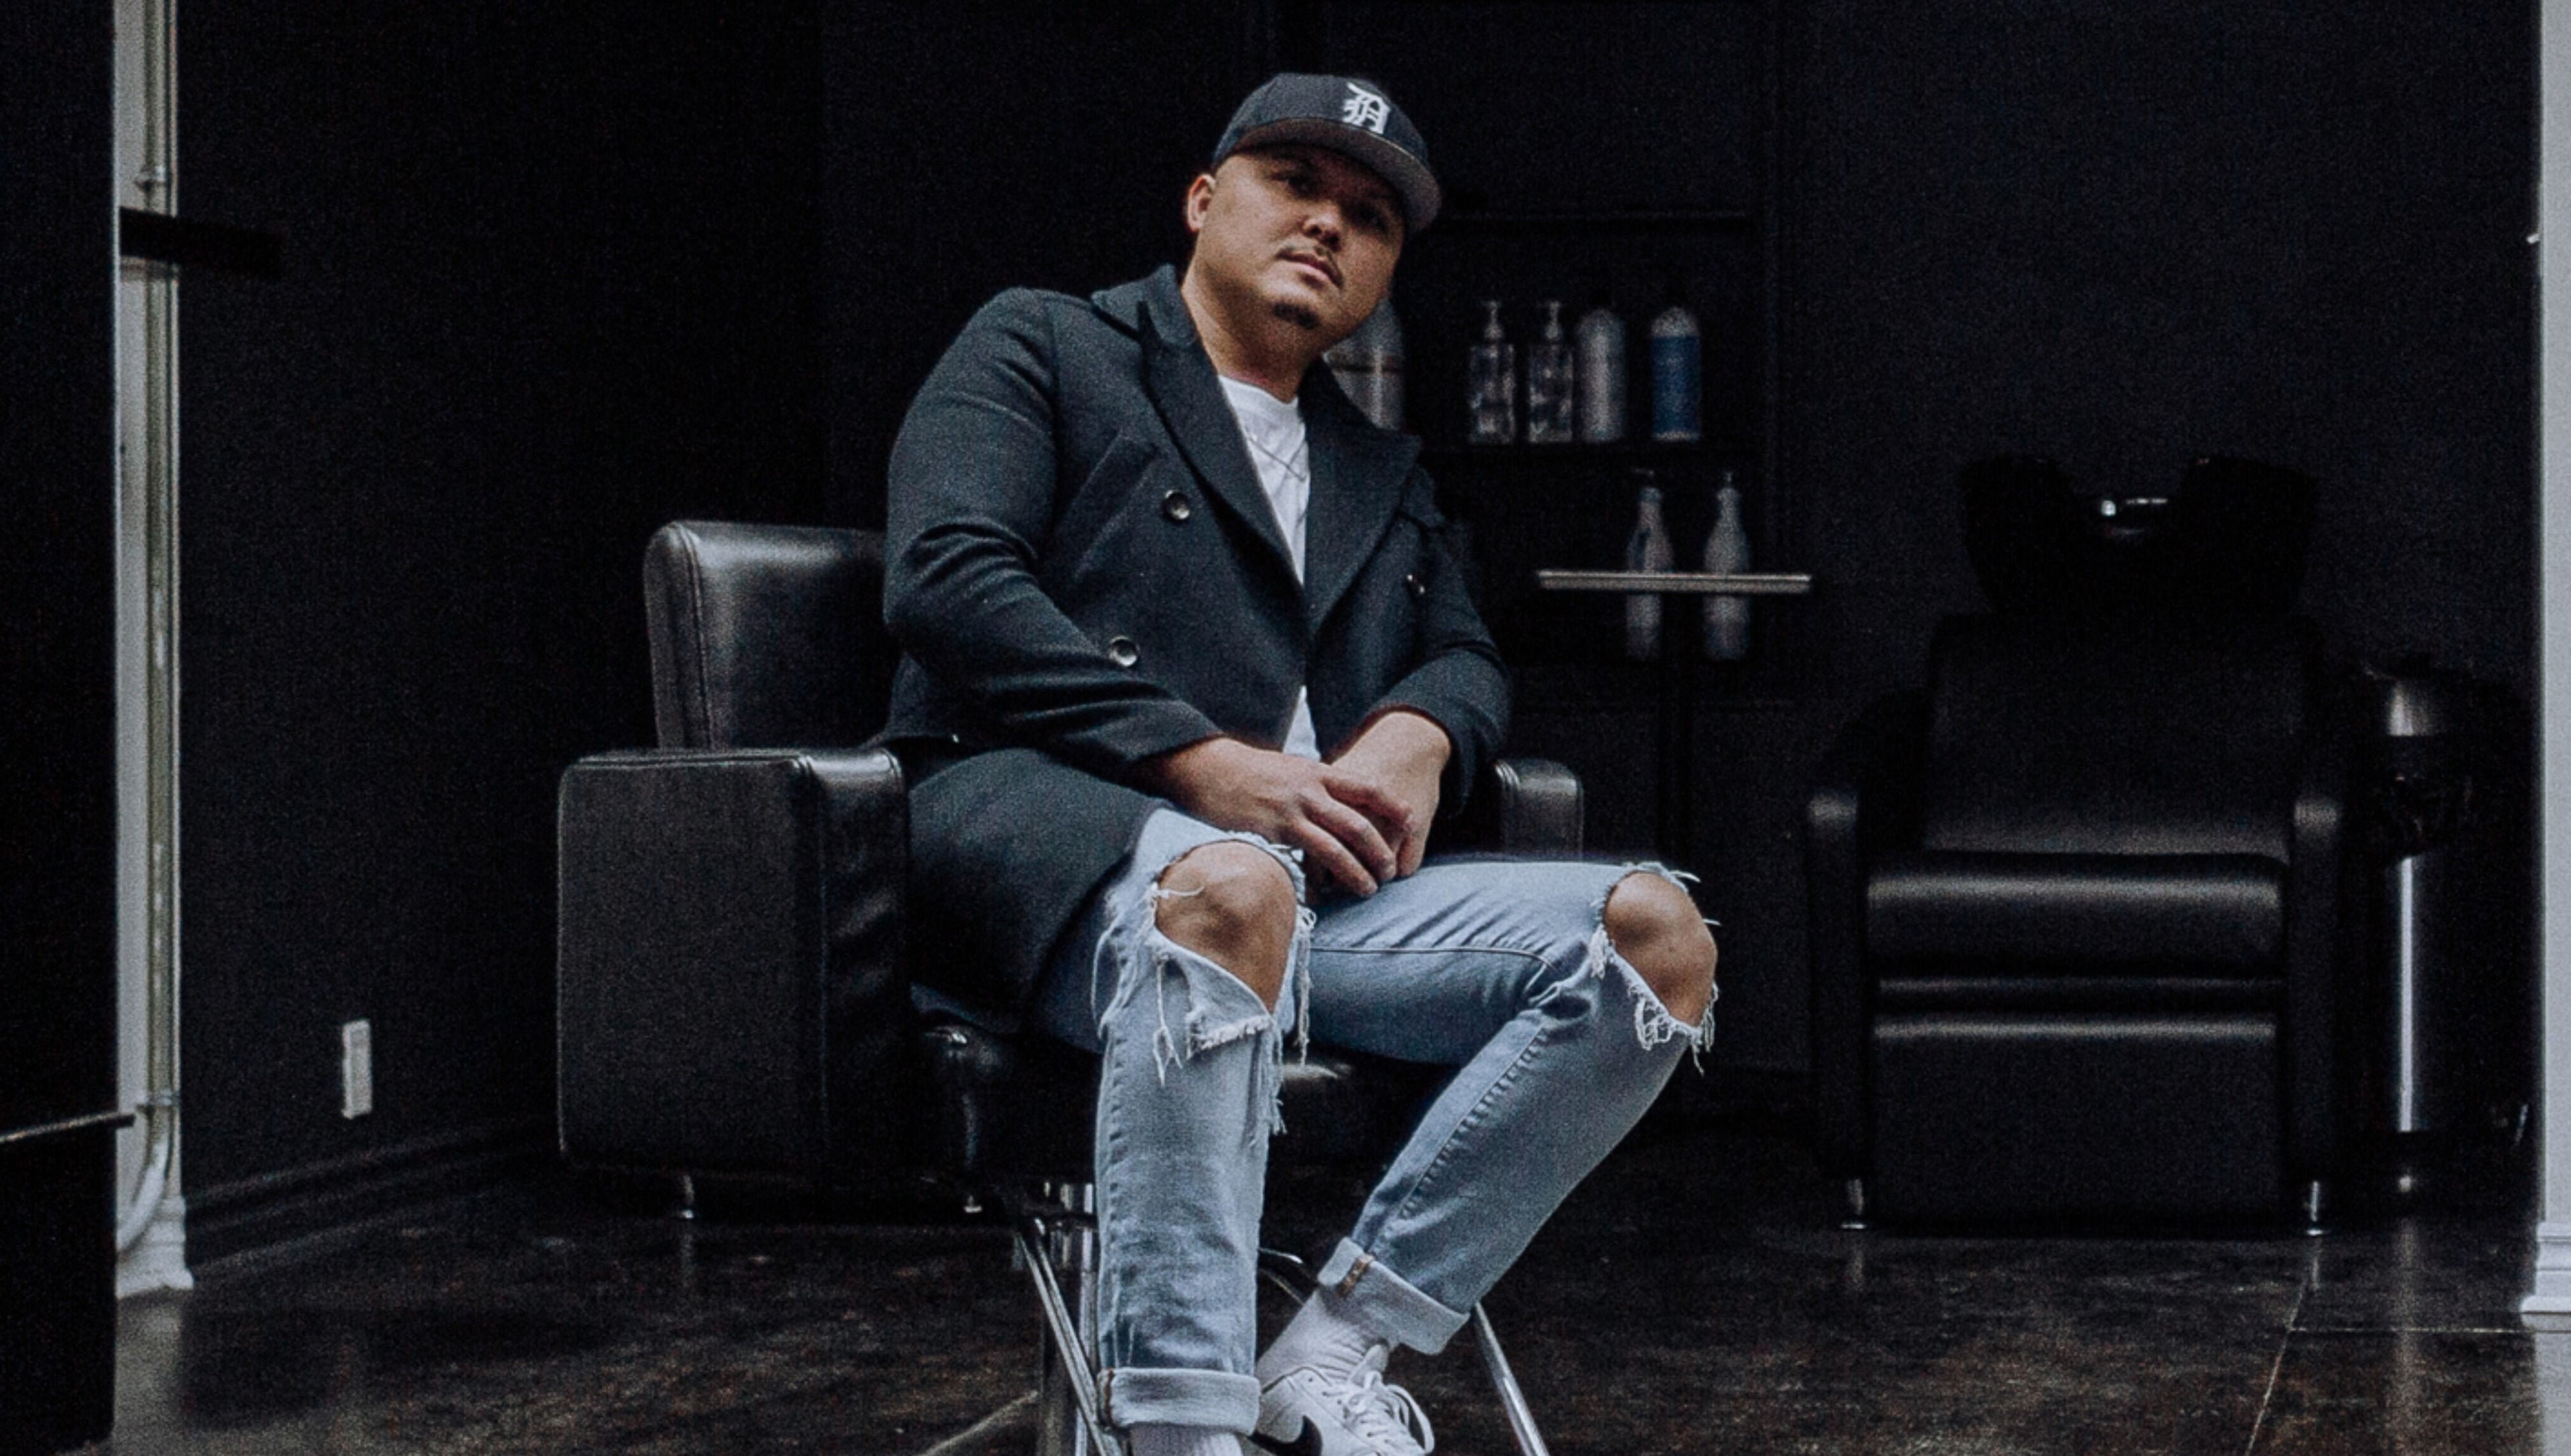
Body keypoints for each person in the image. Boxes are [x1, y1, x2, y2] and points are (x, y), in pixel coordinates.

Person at [881, 72, 1718, 1456]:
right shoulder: (1046, 345)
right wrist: (1199, 760)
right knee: (1232, 890)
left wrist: (1428, 727)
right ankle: (1178, 1423)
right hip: (1043, 837)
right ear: (1205, 201)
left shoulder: (1378, 463)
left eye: (1371, 215)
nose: (1331, 225)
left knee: (1654, 941)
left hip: (1310, 898)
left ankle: (1337, 1341)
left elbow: (1467, 650)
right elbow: (947, 580)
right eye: (1297, 186)